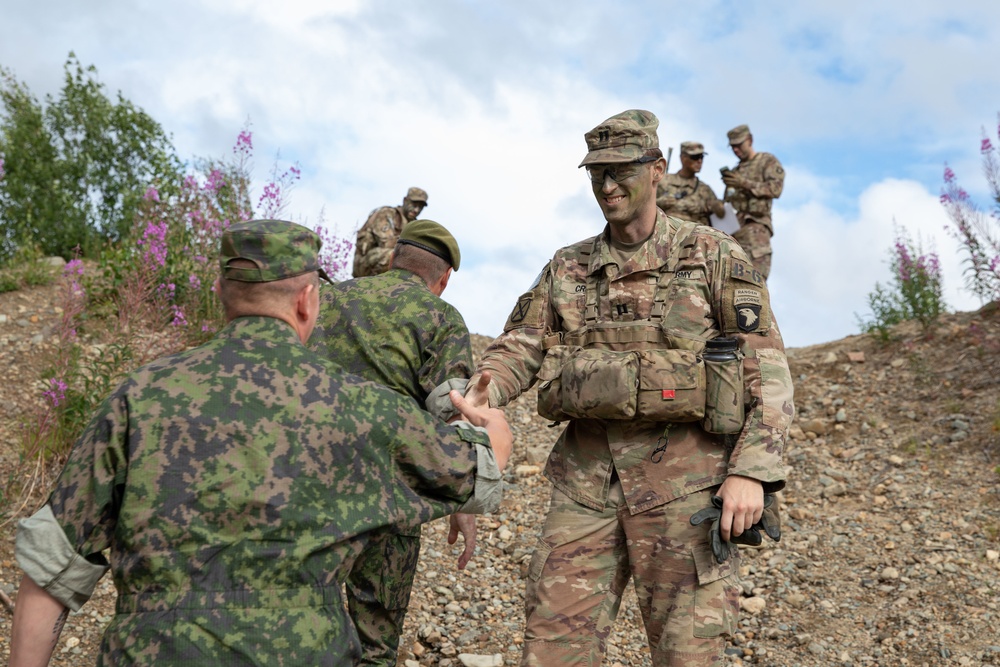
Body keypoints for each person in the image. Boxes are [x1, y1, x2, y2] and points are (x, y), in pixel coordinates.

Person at [9, 219, 512, 667]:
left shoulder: (138, 396)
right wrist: (493, 432)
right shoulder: (370, 406)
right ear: (306, 299)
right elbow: (475, 466)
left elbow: (51, 566)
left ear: (222, 292)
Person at [465, 110, 794, 666]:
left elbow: (769, 372)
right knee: (551, 647)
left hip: (685, 490)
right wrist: (484, 391)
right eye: (597, 174)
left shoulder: (713, 255)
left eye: (621, 171)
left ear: (658, 170)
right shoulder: (567, 266)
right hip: (585, 487)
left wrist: (751, 472)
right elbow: (522, 344)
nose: (608, 186)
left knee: (687, 653)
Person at [310, 218, 477, 667]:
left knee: (298, 622)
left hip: (309, 485)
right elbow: (451, 412)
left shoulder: (328, 297)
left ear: (390, 260)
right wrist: (461, 501)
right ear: (443, 279)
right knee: (377, 644)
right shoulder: (442, 317)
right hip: (391, 493)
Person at [721, 124, 784, 280]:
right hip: (734, 232)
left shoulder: (766, 161)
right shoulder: (735, 172)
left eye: (739, 145)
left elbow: (775, 189)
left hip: (756, 228)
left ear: (749, 140)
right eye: (733, 147)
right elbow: (728, 203)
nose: (736, 150)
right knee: (732, 281)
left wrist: (743, 183)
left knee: (756, 280)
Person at [353, 186, 429, 278]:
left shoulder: (414, 226)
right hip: (365, 264)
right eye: (414, 204)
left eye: (420, 207)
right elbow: (386, 244)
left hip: (391, 264)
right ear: (405, 200)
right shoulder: (387, 214)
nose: (416, 210)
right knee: (400, 256)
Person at [656, 141, 724, 227]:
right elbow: (643, 207)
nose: (699, 161)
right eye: (695, 157)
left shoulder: (705, 190)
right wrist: (660, 202)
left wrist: (717, 207)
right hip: (666, 232)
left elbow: (720, 217)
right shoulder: (663, 181)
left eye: (701, 157)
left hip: (696, 236)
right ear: (683, 158)